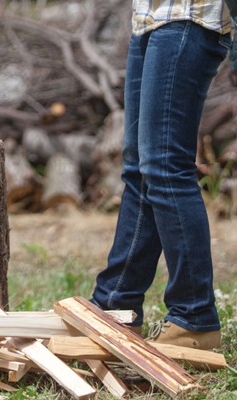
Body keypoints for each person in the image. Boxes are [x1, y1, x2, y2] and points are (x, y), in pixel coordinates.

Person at [90, 0, 235, 350]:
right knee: (140, 168)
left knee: (166, 166)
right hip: (148, 19)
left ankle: (194, 318)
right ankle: (115, 304)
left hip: (192, 17)